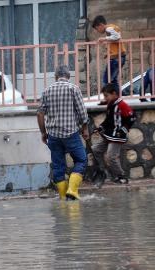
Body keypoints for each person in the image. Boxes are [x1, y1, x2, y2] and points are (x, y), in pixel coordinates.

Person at [37, 65, 89, 201]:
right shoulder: (74, 89)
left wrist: (43, 132)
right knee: (82, 159)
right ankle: (72, 190)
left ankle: (62, 196)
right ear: (68, 76)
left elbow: (40, 114)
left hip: (53, 135)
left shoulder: (47, 91)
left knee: (58, 165)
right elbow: (82, 113)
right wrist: (84, 129)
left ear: (55, 77)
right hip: (70, 133)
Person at [92, 83, 136, 185]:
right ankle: (103, 171)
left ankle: (121, 176)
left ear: (114, 94)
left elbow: (132, 117)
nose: (105, 98)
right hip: (108, 134)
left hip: (117, 136)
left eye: (106, 96)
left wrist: (124, 129)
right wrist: (100, 127)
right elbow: (108, 120)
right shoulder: (111, 104)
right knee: (95, 150)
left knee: (111, 156)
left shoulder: (122, 105)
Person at [92, 15, 126, 91]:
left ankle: (114, 97)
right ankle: (118, 96)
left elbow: (117, 36)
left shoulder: (108, 28)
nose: (97, 31)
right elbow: (115, 42)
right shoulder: (110, 29)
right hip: (117, 56)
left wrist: (104, 39)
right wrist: (108, 53)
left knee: (107, 80)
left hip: (117, 58)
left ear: (101, 25)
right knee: (112, 80)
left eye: (97, 29)